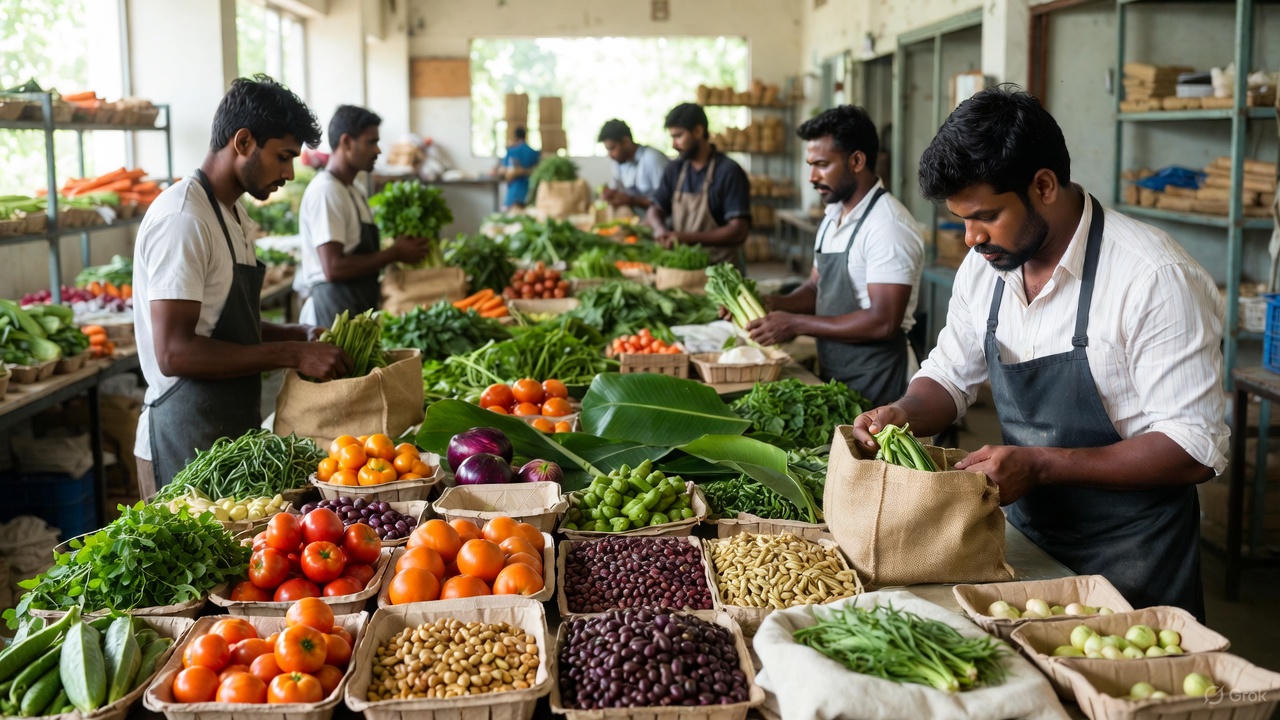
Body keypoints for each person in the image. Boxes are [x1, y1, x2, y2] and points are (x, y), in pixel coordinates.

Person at [851, 87, 1228, 618]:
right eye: (961, 219)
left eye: (984, 216)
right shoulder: (988, 269)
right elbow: (949, 377)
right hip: (1029, 539)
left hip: (1134, 556)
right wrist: (904, 412)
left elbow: (1195, 447)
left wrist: (1043, 465)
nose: (970, 238)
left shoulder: (1154, 277)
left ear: (1044, 185)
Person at [132, 76, 351, 494]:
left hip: (227, 440)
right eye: (283, 156)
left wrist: (299, 335)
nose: (289, 172)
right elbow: (175, 352)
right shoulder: (184, 219)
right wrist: (290, 353)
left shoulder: (230, 215)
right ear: (244, 142)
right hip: (185, 440)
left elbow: (222, 327)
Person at [744, 106, 924, 407]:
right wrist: (769, 307)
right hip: (837, 370)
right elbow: (817, 288)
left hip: (879, 379)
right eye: (810, 165)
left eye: (822, 165)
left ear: (856, 160)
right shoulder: (832, 217)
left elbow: (883, 322)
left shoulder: (888, 226)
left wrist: (796, 324)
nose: (812, 177)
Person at [297, 105, 430, 327]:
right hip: (333, 316)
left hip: (354, 308)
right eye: (371, 142)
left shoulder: (353, 190)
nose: (378, 150)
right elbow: (333, 267)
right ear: (347, 142)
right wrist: (394, 253)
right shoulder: (327, 191)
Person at [646, 103, 751, 269]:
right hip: (684, 266)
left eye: (678, 136)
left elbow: (738, 231)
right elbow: (655, 209)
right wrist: (660, 230)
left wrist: (686, 238)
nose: (674, 144)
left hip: (721, 272)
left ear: (698, 131)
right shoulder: (675, 169)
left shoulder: (728, 172)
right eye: (672, 137)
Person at [597, 119, 669, 212]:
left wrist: (632, 201)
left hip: (660, 222)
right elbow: (616, 187)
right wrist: (611, 194)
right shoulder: (619, 162)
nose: (610, 155)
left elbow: (666, 201)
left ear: (626, 142)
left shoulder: (652, 159)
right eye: (608, 150)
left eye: (612, 148)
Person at [499, 127, 539, 210]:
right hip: (530, 190)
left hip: (514, 191)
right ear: (525, 136)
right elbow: (537, 171)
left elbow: (504, 171)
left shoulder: (512, 151)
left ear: (515, 137)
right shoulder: (533, 152)